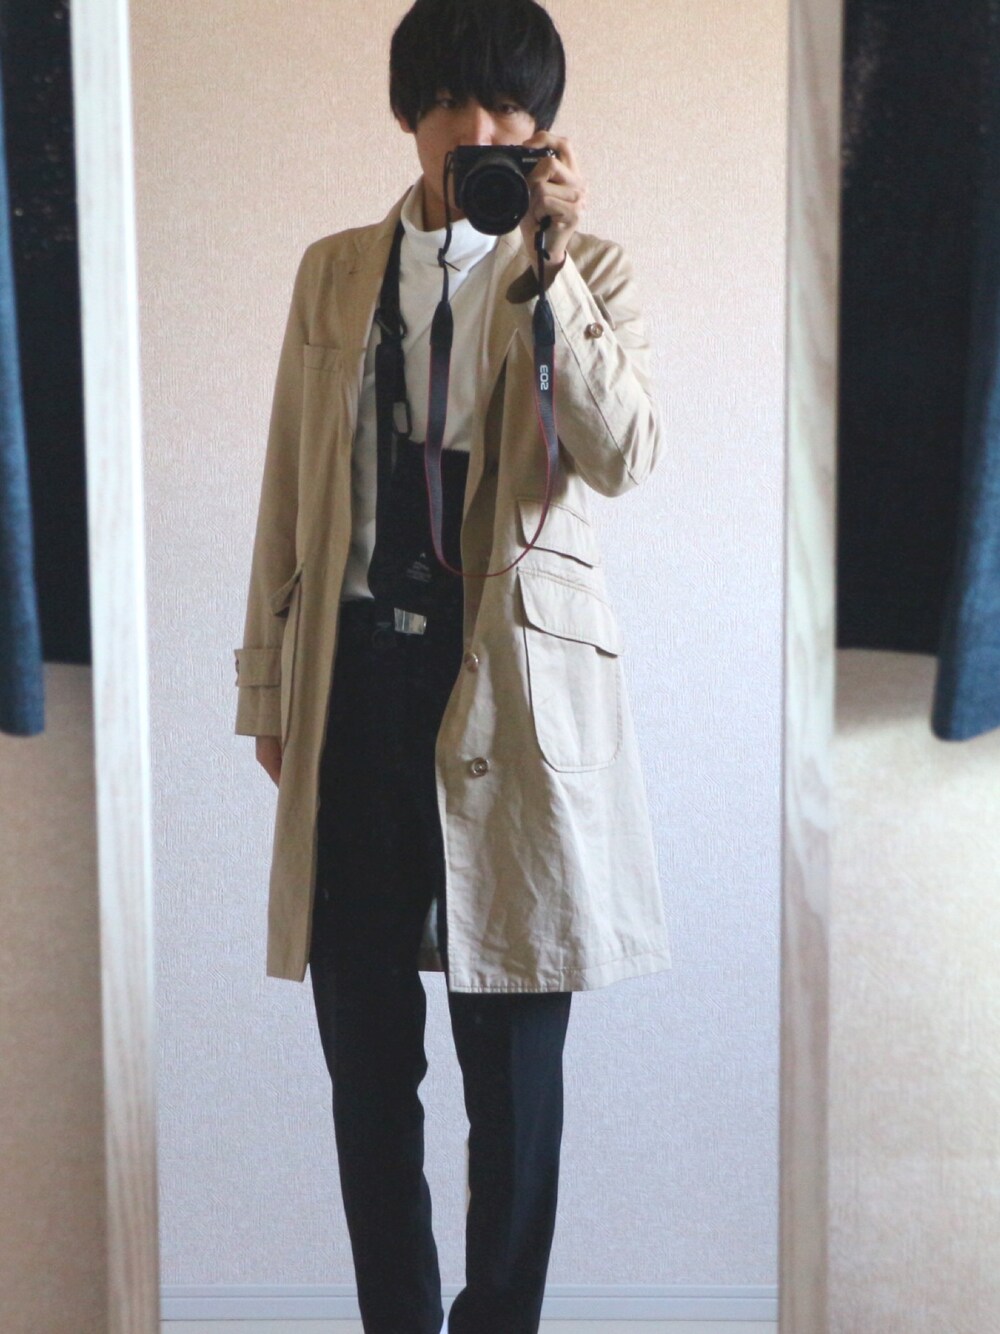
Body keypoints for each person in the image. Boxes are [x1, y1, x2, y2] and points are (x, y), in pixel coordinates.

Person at [234, 1, 673, 1329]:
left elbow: (624, 456)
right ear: (407, 111)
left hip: (518, 703)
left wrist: (552, 271)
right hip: (357, 683)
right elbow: (287, 488)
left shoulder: (591, 270)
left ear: (544, 133)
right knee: (366, 1062)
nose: (477, 129)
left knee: (517, 1075)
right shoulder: (332, 272)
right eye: (449, 103)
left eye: (508, 110)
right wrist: (268, 690)